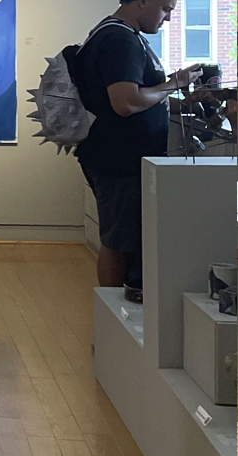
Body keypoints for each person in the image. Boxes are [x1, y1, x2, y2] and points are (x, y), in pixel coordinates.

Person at [74, 0, 200, 300]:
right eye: (166, 9)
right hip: (119, 161)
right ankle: (112, 326)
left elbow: (137, 98)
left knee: (122, 240)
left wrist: (178, 98)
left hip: (117, 157)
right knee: (118, 242)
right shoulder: (120, 38)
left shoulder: (114, 33)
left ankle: (117, 325)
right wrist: (175, 83)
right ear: (143, 1)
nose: (168, 18)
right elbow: (126, 102)